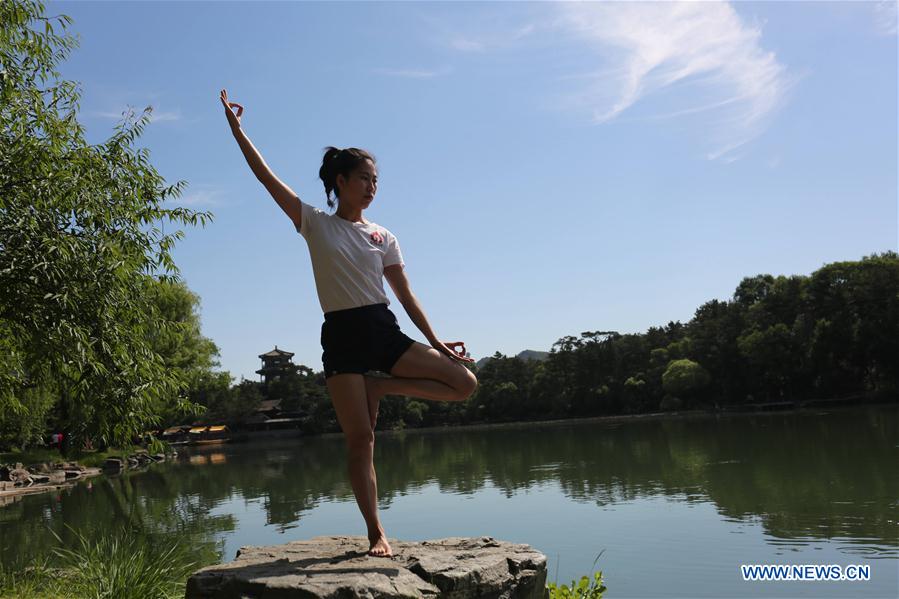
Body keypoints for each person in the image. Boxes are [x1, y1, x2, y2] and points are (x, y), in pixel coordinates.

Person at [219, 89, 478, 557]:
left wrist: (436, 341)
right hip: (341, 336)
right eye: (364, 178)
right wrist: (239, 132)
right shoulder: (315, 222)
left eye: (376, 180)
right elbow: (265, 178)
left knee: (464, 383)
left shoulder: (384, 236)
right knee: (361, 442)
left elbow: (405, 295)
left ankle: (382, 387)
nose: (372, 186)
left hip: (383, 331)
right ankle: (376, 532)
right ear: (341, 181)